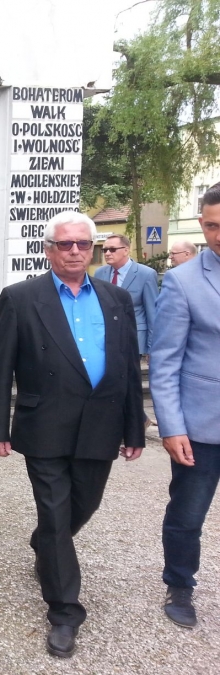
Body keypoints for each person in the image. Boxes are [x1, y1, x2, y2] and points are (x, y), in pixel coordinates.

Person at [0, 211, 145, 658]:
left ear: (93, 249)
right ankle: (64, 611)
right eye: (65, 244)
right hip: (45, 423)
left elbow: (128, 367)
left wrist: (135, 426)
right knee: (55, 514)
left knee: (84, 504)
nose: (75, 251)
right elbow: (0, 367)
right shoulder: (20, 298)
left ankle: (45, 544)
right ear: (48, 250)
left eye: (82, 244)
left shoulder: (116, 298)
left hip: (101, 422)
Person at [150, 183, 220, 628]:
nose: (219, 235)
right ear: (201, 224)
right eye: (212, 226)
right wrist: (171, 426)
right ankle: (179, 583)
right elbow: (165, 360)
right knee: (188, 514)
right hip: (200, 425)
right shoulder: (183, 280)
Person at [94, 234, 158, 357]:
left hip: (133, 339)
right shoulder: (100, 273)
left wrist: (152, 348)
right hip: (105, 338)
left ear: (126, 250)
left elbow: (153, 314)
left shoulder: (146, 274)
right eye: (105, 250)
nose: (107, 253)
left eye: (112, 249)